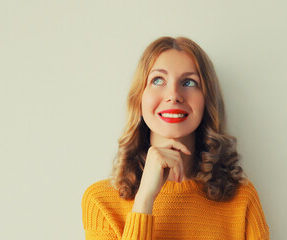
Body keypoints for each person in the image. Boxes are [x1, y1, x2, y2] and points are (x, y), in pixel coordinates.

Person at [82, 36, 269, 240]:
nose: (173, 95)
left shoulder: (241, 199)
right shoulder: (101, 201)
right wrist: (144, 199)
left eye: (189, 82)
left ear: (206, 102)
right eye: (158, 80)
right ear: (139, 99)